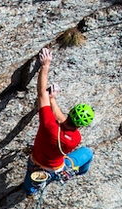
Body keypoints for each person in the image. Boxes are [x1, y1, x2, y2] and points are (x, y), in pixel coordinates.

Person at [24, 45, 95, 195]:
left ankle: (31, 191)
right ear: (81, 125)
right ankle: (80, 172)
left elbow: (41, 93)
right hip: (58, 169)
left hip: (37, 166)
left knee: (30, 187)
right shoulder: (75, 138)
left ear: (70, 113)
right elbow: (63, 121)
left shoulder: (49, 125)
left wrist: (45, 66)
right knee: (88, 153)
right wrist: (53, 100)